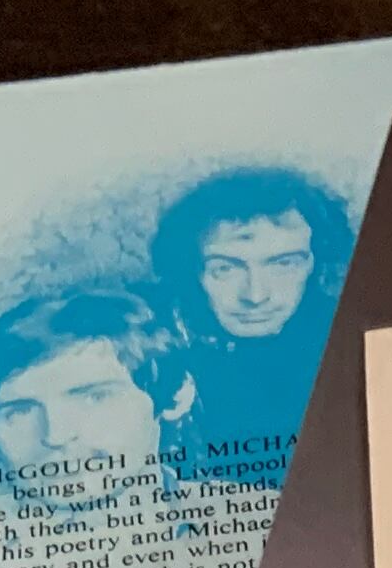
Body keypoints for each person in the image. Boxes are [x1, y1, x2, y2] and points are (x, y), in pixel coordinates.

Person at [147, 167, 349, 478]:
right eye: (225, 269)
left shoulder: (345, 338)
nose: (256, 296)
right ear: (192, 270)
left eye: (284, 264)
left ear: (314, 263)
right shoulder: (149, 341)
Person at [0, 285, 223, 521]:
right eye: (20, 411)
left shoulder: (240, 518)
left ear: (177, 397)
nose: (56, 435)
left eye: (94, 398)